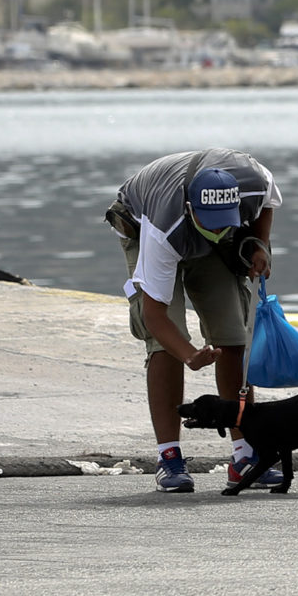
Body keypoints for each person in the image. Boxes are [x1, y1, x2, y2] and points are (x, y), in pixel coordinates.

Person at [107, 149, 279, 492]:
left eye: (225, 221)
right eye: (210, 221)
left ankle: (245, 456)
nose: (217, 228)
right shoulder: (163, 228)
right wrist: (189, 355)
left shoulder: (255, 183)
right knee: (165, 346)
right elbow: (155, 315)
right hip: (143, 223)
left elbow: (266, 207)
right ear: (190, 208)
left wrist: (259, 245)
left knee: (234, 336)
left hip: (202, 227)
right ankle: (168, 458)